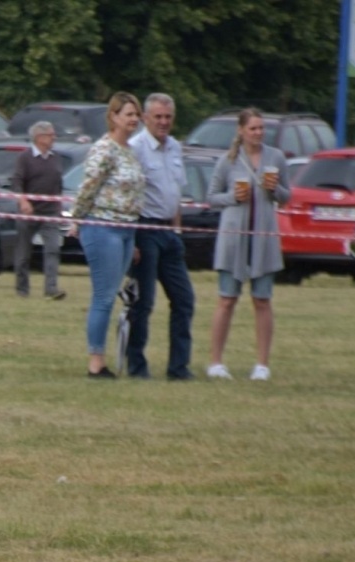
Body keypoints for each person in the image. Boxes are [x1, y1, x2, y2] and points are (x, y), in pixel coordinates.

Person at [204, 108, 290, 381]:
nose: (258, 133)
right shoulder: (227, 161)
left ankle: (262, 364)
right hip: (233, 238)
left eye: (261, 128)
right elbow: (211, 197)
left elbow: (287, 197)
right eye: (253, 128)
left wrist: (274, 189)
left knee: (262, 300)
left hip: (263, 237)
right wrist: (232, 197)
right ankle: (216, 362)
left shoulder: (275, 157)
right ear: (241, 130)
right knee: (226, 299)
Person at [70, 91, 144, 379]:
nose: (134, 120)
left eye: (136, 115)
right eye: (128, 114)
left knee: (111, 296)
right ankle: (95, 363)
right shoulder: (104, 149)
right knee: (103, 297)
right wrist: (76, 220)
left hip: (127, 230)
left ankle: (102, 358)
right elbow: (88, 187)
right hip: (102, 227)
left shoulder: (130, 151)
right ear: (113, 116)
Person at [124, 93, 194, 379]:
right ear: (145, 119)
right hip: (144, 230)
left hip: (168, 232)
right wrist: (132, 240)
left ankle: (179, 368)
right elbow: (127, 196)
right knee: (144, 302)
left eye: (168, 117)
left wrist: (176, 232)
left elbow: (175, 194)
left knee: (184, 299)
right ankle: (136, 366)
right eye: (158, 117)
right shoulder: (136, 148)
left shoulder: (175, 148)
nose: (164, 122)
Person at [9, 120, 66, 301]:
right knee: (24, 253)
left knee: (52, 250)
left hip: (50, 213)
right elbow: (16, 181)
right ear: (39, 137)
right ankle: (22, 290)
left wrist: (58, 206)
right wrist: (23, 200)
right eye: (51, 134)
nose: (54, 138)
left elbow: (59, 184)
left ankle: (51, 289)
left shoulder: (55, 158)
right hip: (29, 212)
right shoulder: (24, 158)